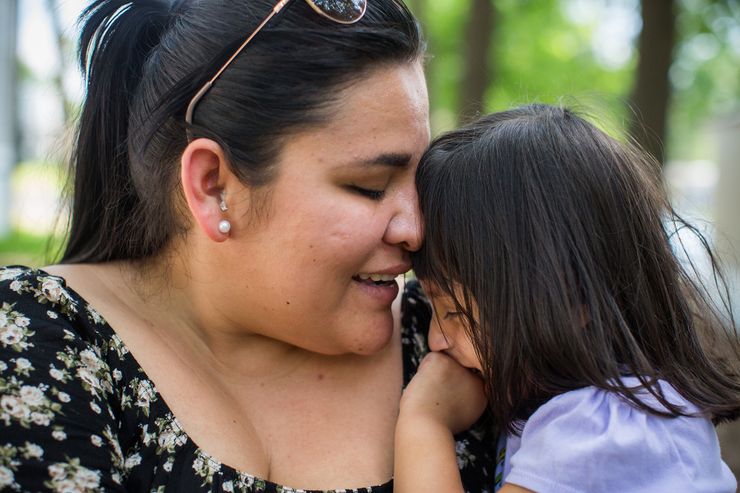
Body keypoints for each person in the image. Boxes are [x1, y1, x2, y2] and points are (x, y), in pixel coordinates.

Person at [0, 0, 499, 491]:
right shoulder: (43, 341)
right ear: (214, 185)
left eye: (420, 181)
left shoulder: (457, 336)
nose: (416, 228)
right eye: (369, 186)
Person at [394, 104, 740, 493]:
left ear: (570, 299)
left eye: (454, 311)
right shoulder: (612, 409)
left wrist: (425, 421)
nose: (436, 340)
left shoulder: (600, 433)